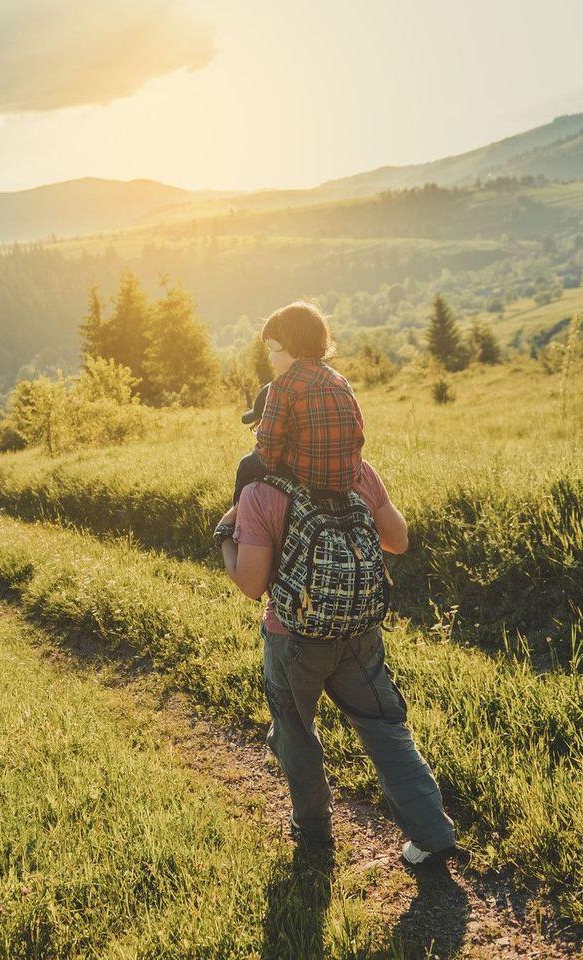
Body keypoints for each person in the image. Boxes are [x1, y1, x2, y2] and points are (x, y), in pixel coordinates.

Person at [214, 458, 464, 866]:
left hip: (293, 638)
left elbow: (251, 584)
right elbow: (398, 540)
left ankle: (314, 833)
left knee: (295, 731)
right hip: (360, 634)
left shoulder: (260, 491)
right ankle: (433, 838)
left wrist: (225, 536)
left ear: (273, 427)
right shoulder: (356, 471)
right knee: (385, 729)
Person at [231, 301, 364, 505]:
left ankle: (237, 516)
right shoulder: (340, 381)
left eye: (273, 348)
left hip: (306, 476)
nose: (270, 356)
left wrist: (270, 461)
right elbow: (358, 429)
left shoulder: (282, 386)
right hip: (346, 477)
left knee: (247, 464)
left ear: (294, 347)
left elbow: (269, 442)